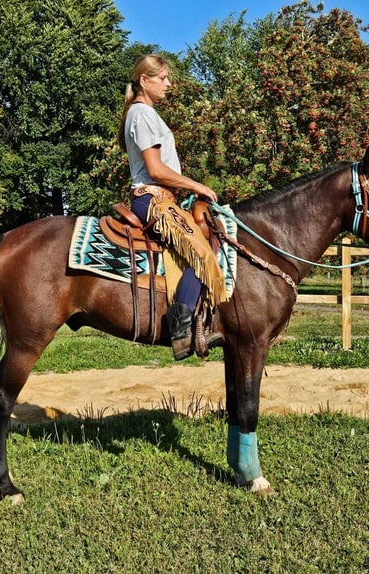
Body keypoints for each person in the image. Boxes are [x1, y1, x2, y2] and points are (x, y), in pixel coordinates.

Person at [117, 54, 229, 360]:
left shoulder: (146, 114)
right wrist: (195, 185)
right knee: (203, 253)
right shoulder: (142, 114)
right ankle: (180, 328)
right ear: (144, 80)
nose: (169, 83)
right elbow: (155, 169)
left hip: (163, 198)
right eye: (163, 78)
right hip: (153, 198)